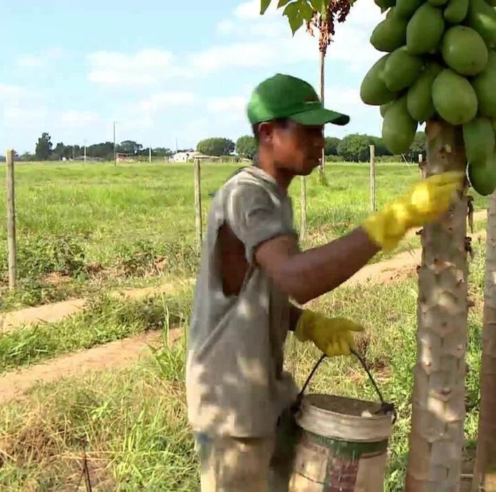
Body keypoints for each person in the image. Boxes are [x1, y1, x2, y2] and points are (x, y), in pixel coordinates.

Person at [185, 73, 463, 492]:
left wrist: (304, 323)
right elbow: (297, 278)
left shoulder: (274, 197)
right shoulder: (247, 194)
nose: (321, 142)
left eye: (322, 131)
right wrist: (391, 222)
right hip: (233, 410)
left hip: (263, 398)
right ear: (268, 133)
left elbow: (249, 292)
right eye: (309, 130)